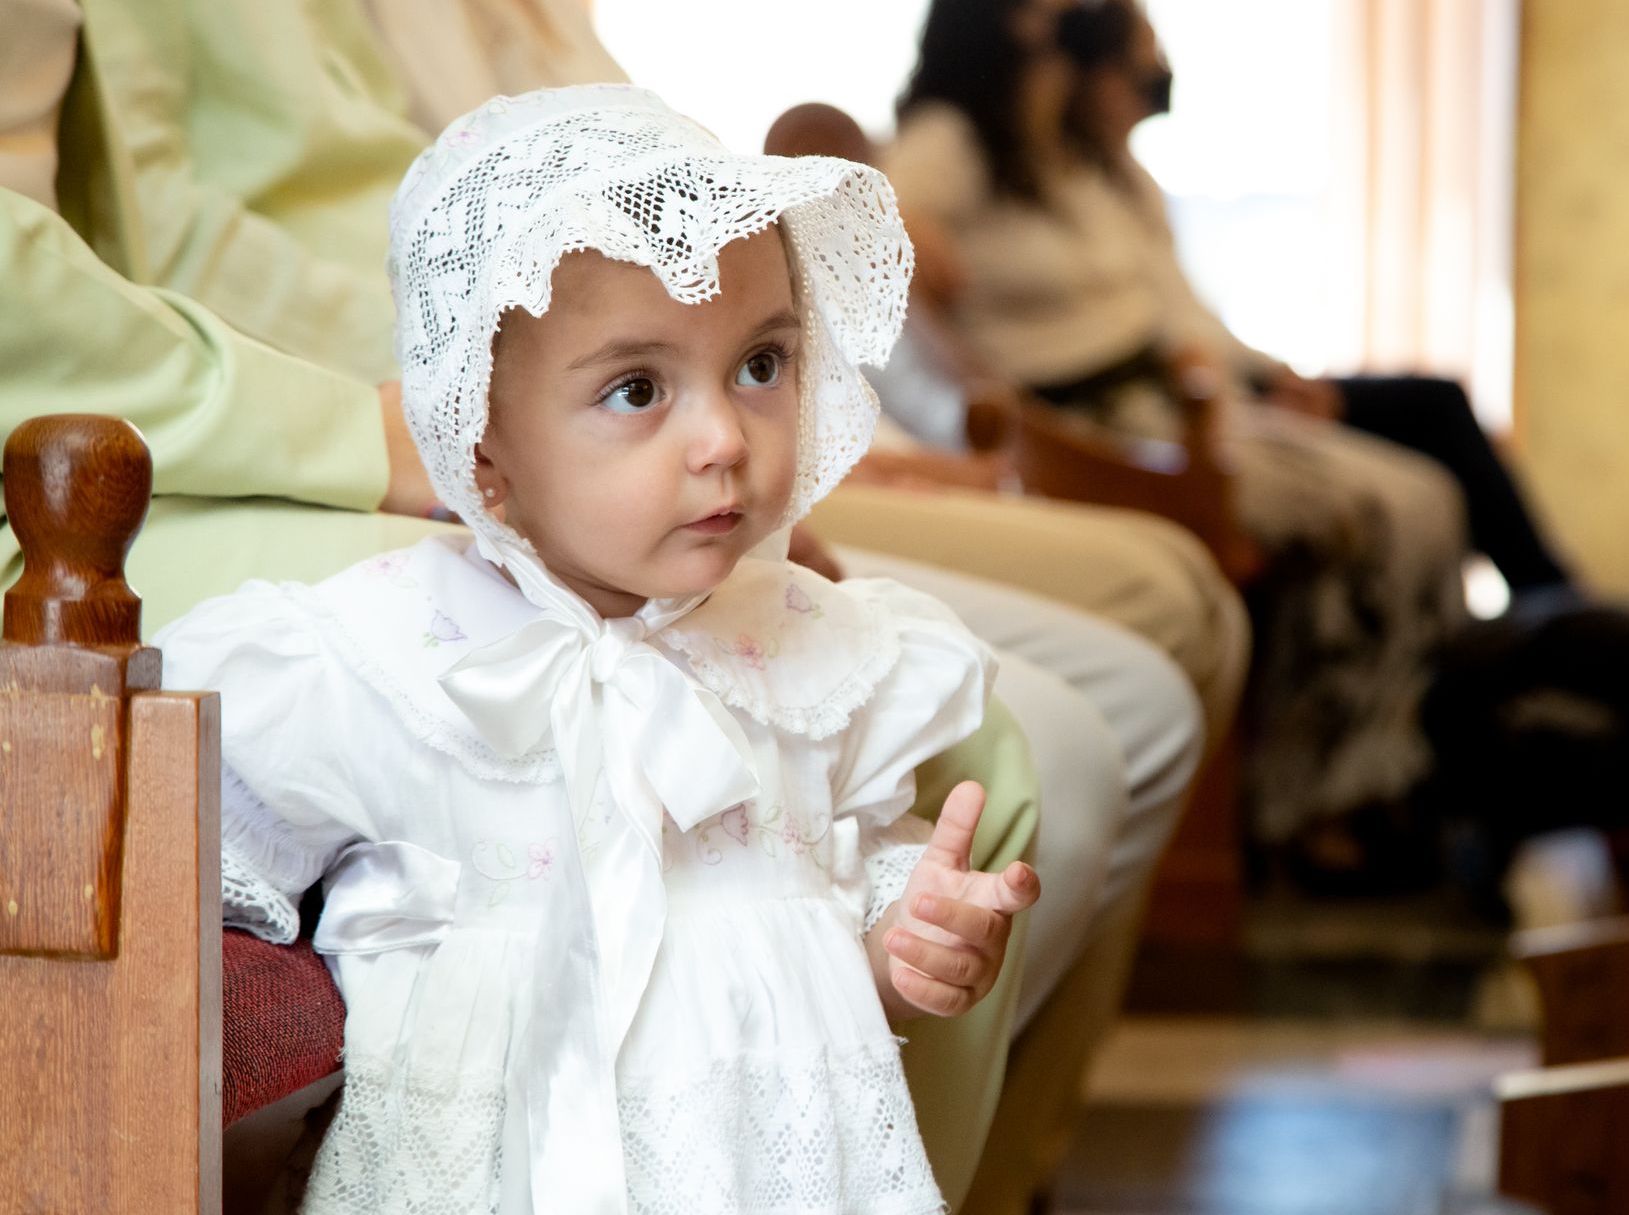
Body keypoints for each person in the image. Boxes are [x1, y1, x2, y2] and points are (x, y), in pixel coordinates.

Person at [159, 86, 1040, 1213]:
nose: (722, 438)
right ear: (481, 444)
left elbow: (825, 933)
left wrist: (910, 940)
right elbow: (169, 832)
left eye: (761, 365)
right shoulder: (392, 656)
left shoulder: (808, 645)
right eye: (637, 389)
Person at [889, 0, 1469, 844]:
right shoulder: (950, 142)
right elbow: (876, 245)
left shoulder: (1061, 152)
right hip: (1089, 431)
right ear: (1006, 15)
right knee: (1378, 513)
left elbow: (1165, 305)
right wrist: (941, 309)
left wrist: (1254, 378)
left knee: (1428, 498)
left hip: (1161, 404)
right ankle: (1322, 800)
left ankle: (1391, 772)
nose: (1082, 12)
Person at [1056, 0, 1575, 599]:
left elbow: (1184, 312)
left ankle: (1548, 606)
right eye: (1138, 40)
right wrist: (1253, 380)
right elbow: (1163, 327)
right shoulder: (1054, 185)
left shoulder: (1125, 180)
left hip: (1229, 380)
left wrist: (1276, 373)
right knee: (1424, 459)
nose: (1153, 57)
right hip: (1191, 398)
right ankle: (1547, 608)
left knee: (1438, 414)